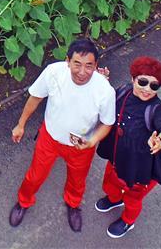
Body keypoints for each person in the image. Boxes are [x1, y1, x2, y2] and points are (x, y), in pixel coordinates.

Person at [8, 38, 115, 232]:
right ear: (67, 61)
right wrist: (20, 124)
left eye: (89, 66)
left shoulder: (105, 91)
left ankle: (73, 204)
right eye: (77, 64)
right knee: (35, 176)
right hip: (49, 138)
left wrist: (92, 141)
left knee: (77, 180)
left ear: (96, 65)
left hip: (81, 145)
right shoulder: (53, 73)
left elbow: (107, 123)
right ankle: (23, 201)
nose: (82, 72)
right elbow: (35, 98)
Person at [94, 56, 161, 238]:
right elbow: (108, 103)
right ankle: (115, 199)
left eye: (154, 85)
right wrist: (103, 83)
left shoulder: (157, 110)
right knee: (111, 183)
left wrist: (160, 141)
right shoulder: (124, 91)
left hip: (140, 168)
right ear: (133, 79)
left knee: (133, 198)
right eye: (143, 82)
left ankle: (128, 221)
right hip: (118, 157)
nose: (147, 89)